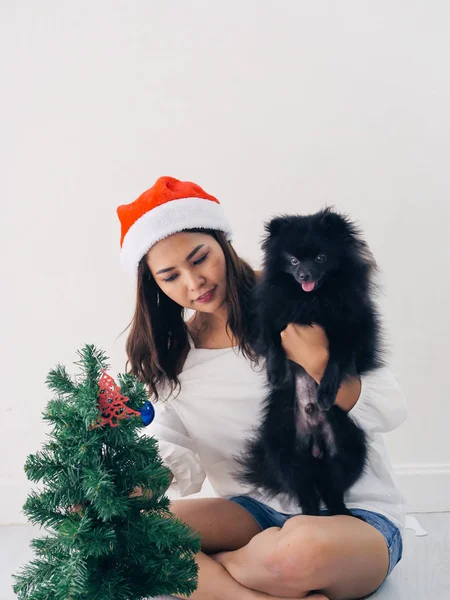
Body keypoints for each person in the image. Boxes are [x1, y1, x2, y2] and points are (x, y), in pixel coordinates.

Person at [117, 176, 407, 600]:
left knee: (294, 552)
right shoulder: (172, 355)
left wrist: (318, 362)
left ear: (223, 244)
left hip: (356, 516)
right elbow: (172, 449)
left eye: (201, 258)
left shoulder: (303, 300)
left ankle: (219, 572)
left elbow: (390, 408)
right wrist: (134, 485)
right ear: (153, 286)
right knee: (125, 534)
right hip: (251, 510)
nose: (194, 283)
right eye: (170, 276)